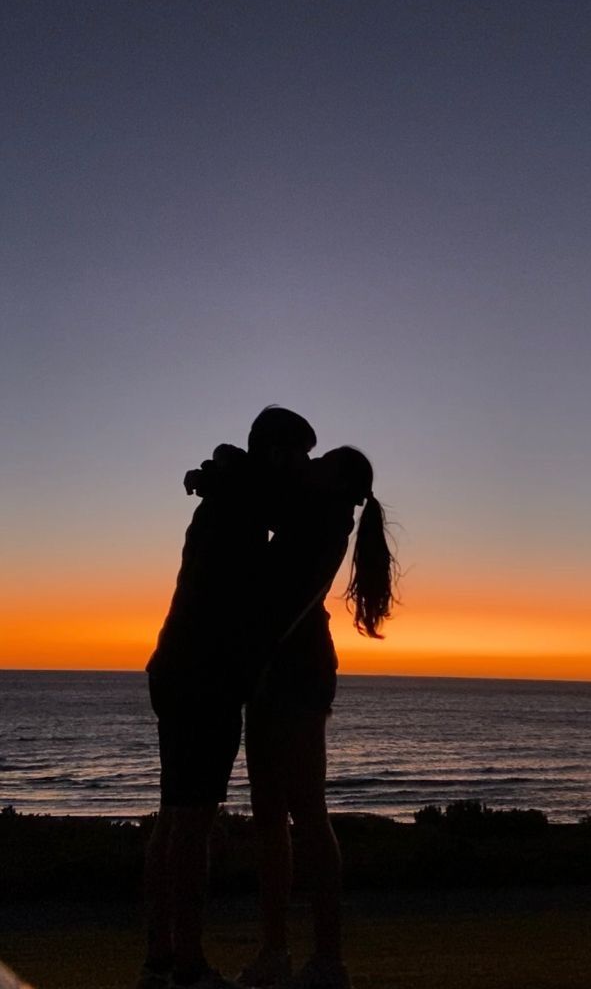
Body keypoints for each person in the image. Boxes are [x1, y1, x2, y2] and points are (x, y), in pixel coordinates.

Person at [137, 408, 317, 989]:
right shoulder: (241, 508)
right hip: (202, 681)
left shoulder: (229, 498)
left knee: (173, 820)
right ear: (275, 454)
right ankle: (187, 966)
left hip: (177, 671)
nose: (305, 468)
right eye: (299, 455)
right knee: (190, 824)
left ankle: (159, 960)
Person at [238, 447, 398, 989]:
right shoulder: (324, 514)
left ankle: (323, 959)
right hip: (286, 669)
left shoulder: (321, 515)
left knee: (302, 813)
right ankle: (281, 952)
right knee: (276, 816)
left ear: (336, 479)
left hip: (294, 672)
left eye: (320, 460)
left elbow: (270, 504)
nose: (307, 463)